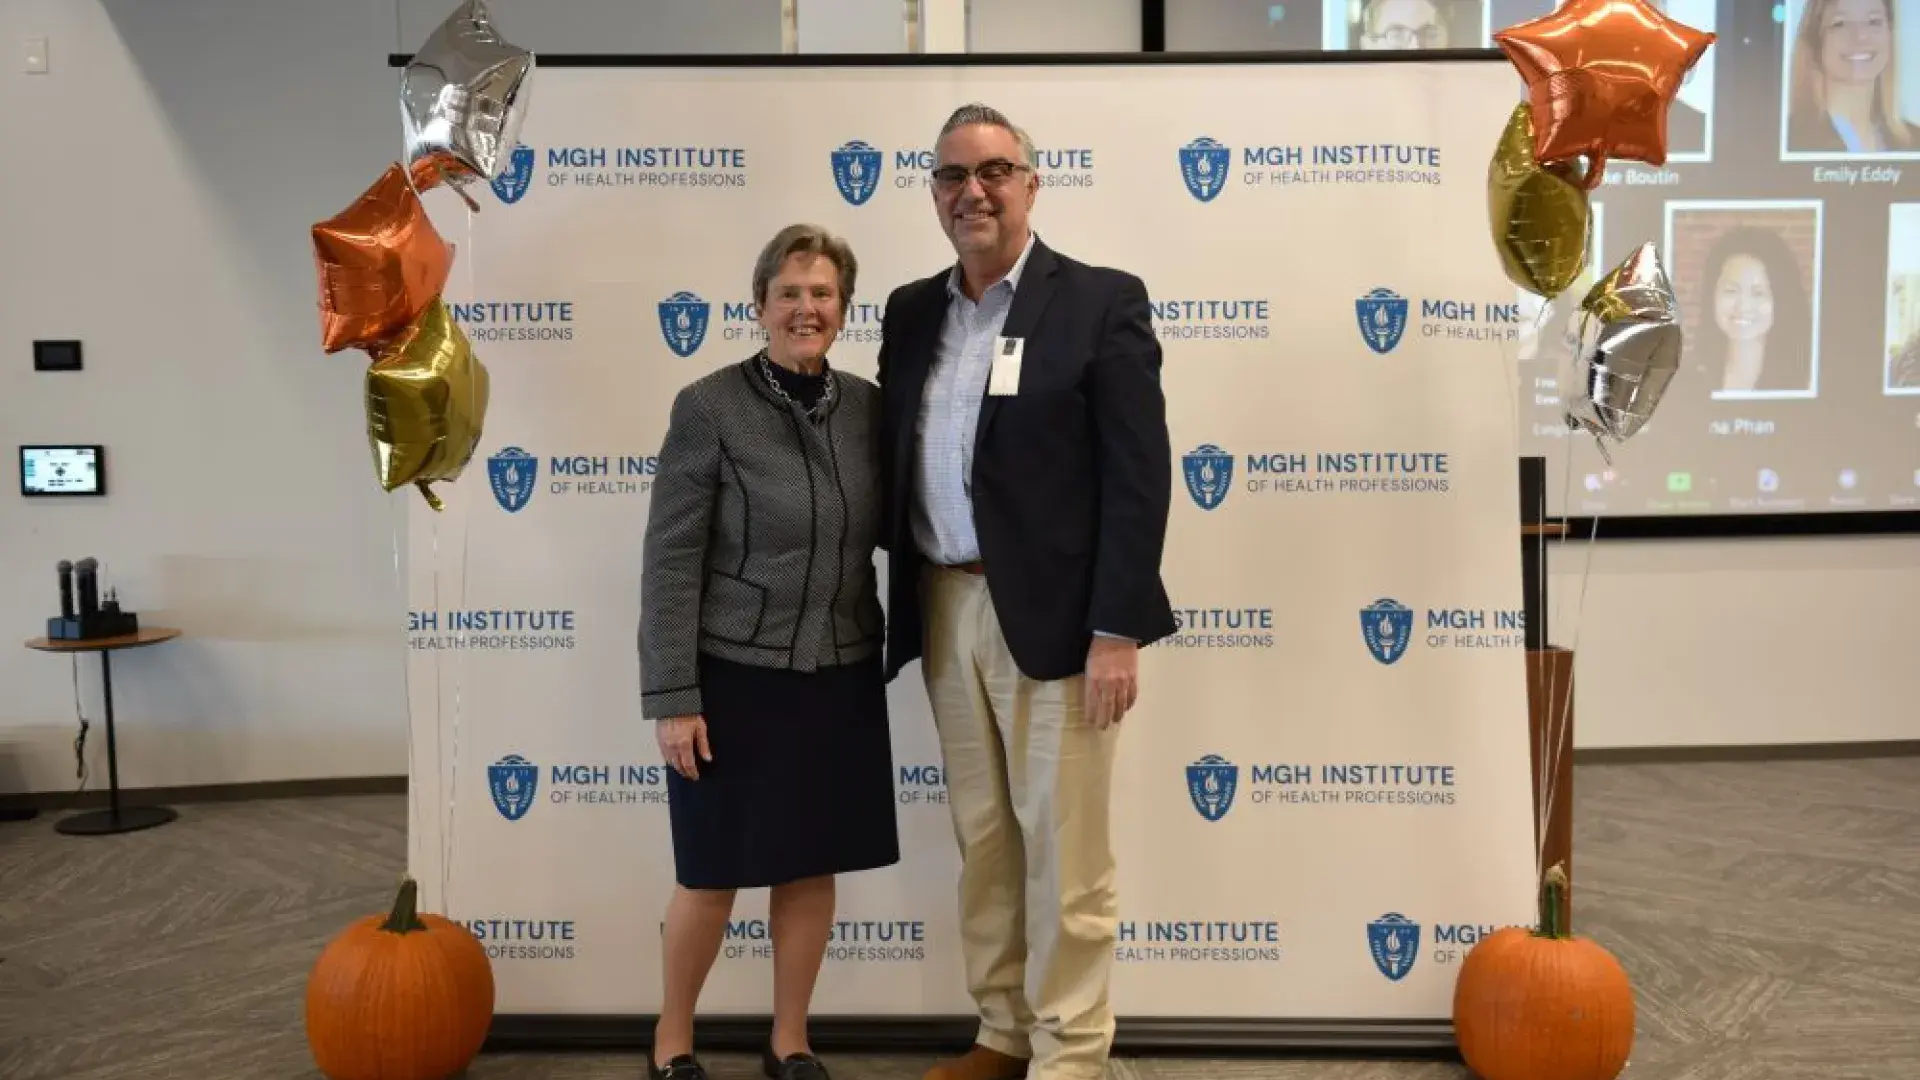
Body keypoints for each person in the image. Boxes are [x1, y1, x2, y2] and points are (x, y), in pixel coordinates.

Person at [876, 103, 1178, 1080]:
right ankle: (1003, 1034)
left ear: (1033, 184)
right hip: (943, 603)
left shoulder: (1099, 301)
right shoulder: (914, 311)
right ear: (933, 194)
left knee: (1067, 857)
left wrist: (1116, 627)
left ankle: (1072, 1057)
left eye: (996, 171)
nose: (975, 191)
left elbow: (1138, 475)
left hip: (1059, 621)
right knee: (986, 843)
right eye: (954, 176)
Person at [639, 223, 898, 1080]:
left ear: (843, 310)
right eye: (789, 293)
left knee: (809, 865)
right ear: (759, 306)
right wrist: (674, 692)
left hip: (839, 672)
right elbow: (672, 558)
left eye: (822, 294)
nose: (805, 308)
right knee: (712, 875)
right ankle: (674, 1039)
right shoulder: (708, 406)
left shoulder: (868, 407)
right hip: (733, 678)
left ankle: (791, 1039)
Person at [1688, 224, 1815, 397]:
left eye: (1759, 293)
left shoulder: (1806, 381)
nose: (1743, 306)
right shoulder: (1685, 379)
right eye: (1731, 291)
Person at [1787, 0, 1914, 153]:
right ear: (1816, 41)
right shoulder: (1791, 140)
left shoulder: (1914, 142)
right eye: (1840, 23)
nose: (1860, 36)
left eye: (1873, 21)